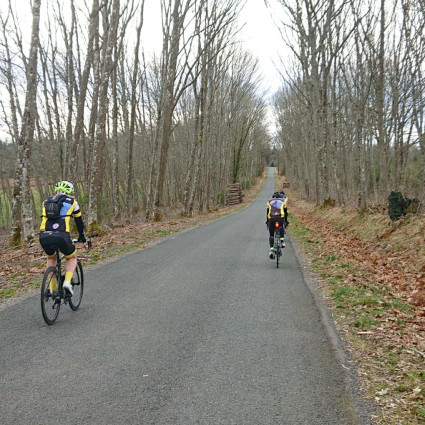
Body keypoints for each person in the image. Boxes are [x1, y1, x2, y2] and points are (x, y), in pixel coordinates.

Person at [39, 181, 86, 295]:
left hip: (44, 235)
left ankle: (52, 288)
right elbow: (79, 222)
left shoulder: (46, 202)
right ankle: (67, 282)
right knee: (72, 257)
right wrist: (81, 236)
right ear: (70, 191)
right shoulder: (73, 202)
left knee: (51, 258)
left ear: (56, 190)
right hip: (62, 235)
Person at [266, 191, 287, 259]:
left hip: (272, 219)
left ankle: (271, 250)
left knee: (271, 235)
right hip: (280, 218)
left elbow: (267, 213)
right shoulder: (283, 201)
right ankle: (282, 241)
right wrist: (285, 221)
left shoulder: (269, 201)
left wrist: (267, 222)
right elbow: (285, 212)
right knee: (281, 227)